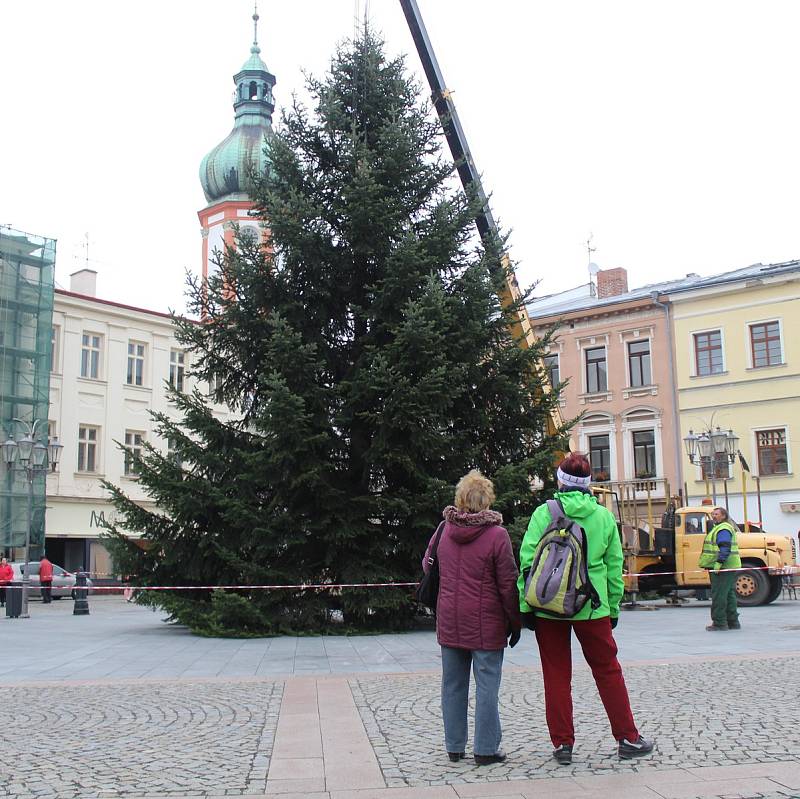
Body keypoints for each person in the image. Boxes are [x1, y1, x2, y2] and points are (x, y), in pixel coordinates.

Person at [517, 452, 654, 765]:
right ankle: (627, 738)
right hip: (592, 608)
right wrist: (614, 607)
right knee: (608, 671)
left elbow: (528, 562)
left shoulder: (543, 513)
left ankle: (563, 745)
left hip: (548, 607)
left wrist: (526, 604)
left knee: (555, 675)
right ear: (589, 484)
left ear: (560, 482)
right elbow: (613, 566)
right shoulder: (603, 517)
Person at [422, 469, 521, 766]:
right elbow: (508, 583)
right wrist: (515, 622)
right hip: (487, 624)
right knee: (487, 685)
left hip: (450, 619)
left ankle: (454, 746)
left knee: (452, 684)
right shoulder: (497, 535)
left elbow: (428, 567)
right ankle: (486, 749)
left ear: (460, 499)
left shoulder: (443, 530)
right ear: (487, 501)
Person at [698, 506, 741, 631]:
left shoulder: (722, 529)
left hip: (722, 567)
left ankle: (720, 623)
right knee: (728, 594)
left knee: (719, 595)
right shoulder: (722, 528)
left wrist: (719, 563)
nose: (714, 516)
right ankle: (733, 622)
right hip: (728, 566)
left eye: (716, 514)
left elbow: (725, 547)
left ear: (723, 516)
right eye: (713, 514)